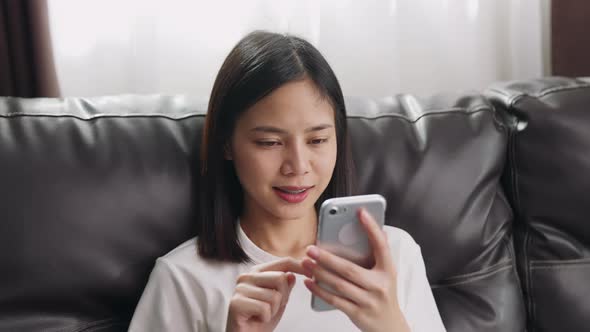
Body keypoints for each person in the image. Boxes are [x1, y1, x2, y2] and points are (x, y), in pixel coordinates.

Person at [128, 30, 446, 332]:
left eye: (318, 140)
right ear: (226, 143)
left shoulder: (395, 255)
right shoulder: (182, 278)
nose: (298, 166)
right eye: (270, 142)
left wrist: (390, 324)